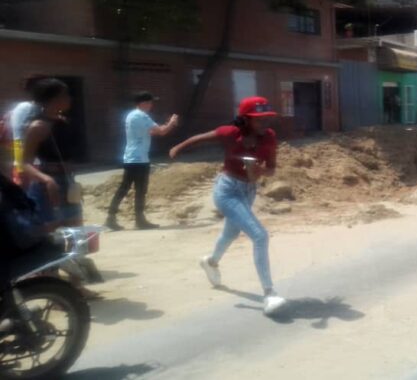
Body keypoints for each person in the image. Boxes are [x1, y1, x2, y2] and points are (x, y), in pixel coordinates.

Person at [168, 96, 287, 316]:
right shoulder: (230, 132)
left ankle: (210, 262)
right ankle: (269, 293)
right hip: (227, 190)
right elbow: (200, 138)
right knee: (260, 236)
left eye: (267, 119)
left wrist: (261, 171)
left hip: (249, 190)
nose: (264, 124)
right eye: (258, 120)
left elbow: (272, 168)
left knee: (230, 234)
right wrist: (178, 147)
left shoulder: (269, 137)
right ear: (245, 119)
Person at [106, 91, 178, 231]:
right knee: (139, 190)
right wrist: (172, 123)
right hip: (139, 159)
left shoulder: (131, 115)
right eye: (150, 102)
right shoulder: (142, 116)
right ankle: (137, 219)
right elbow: (162, 132)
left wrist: (164, 126)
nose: (151, 105)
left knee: (125, 188)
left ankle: (113, 217)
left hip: (132, 157)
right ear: (143, 103)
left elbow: (151, 131)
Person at [22, 78, 82, 228]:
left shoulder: (64, 122)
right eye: (65, 95)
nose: (69, 98)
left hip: (69, 182)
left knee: (75, 231)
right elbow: (25, 162)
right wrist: (46, 179)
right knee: (52, 232)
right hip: (48, 187)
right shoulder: (38, 127)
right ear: (53, 99)